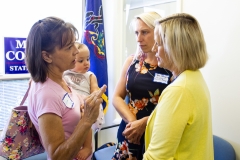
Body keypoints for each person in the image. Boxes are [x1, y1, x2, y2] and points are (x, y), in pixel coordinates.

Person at [25, 16, 107, 160]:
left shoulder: (59, 79)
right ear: (47, 56)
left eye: (74, 44)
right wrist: (87, 120)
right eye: (69, 47)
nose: (76, 51)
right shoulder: (47, 94)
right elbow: (57, 156)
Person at [143, 13, 213, 160]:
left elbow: (156, 157)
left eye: (159, 43)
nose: (154, 49)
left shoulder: (179, 91)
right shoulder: (194, 77)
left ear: (174, 47)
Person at [112, 12, 172, 160]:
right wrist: (133, 124)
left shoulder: (170, 65)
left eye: (145, 32)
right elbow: (117, 97)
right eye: (136, 33)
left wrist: (144, 123)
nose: (139, 39)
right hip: (129, 130)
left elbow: (171, 107)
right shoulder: (132, 62)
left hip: (155, 133)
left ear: (158, 33)